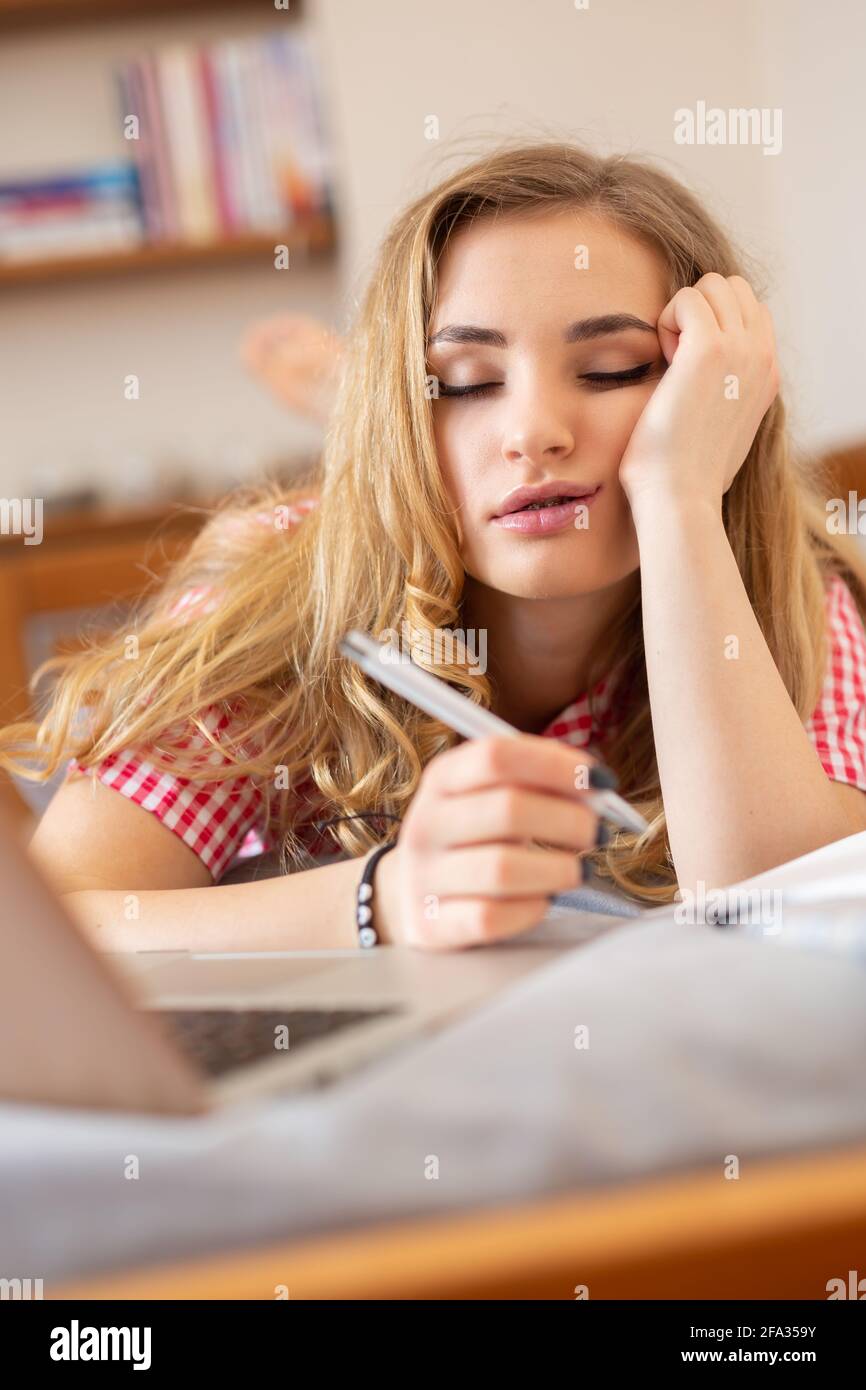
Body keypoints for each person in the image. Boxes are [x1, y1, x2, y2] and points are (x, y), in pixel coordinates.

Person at [6, 141, 866, 953]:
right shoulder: (278, 594)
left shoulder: (789, 583)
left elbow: (777, 906)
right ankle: (356, 406)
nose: (533, 432)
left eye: (610, 369)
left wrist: (681, 498)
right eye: (463, 384)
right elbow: (49, 935)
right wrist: (380, 898)